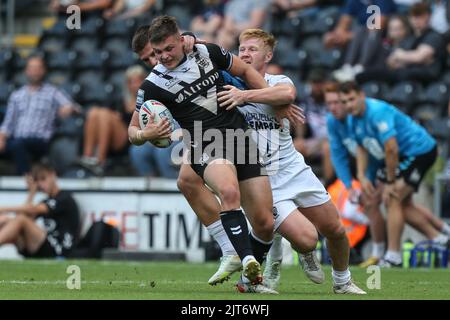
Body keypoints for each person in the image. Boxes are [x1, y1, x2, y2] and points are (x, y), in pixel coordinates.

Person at [128, 16, 277, 290]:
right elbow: (133, 131)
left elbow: (244, 71)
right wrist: (146, 135)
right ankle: (245, 259)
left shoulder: (207, 51)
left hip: (240, 136)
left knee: (266, 222)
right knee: (228, 192)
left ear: (180, 39)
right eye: (156, 52)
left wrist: (270, 97)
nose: (162, 57)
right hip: (204, 142)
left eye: (167, 49)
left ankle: (247, 276)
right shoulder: (152, 85)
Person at [215, 29, 366, 294]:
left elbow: (286, 95)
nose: (245, 54)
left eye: (252, 49)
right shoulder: (228, 83)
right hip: (262, 177)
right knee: (308, 240)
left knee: (335, 229)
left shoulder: (277, 80)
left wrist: (245, 97)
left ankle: (342, 281)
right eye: (242, 49)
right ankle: (295, 256)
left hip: (293, 167)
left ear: (268, 55)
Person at [326, 82, 450, 266]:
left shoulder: (377, 112)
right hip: (398, 157)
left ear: (361, 95)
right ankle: (441, 236)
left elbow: (391, 148)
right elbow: (362, 147)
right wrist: (361, 176)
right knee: (402, 204)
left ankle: (393, 256)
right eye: (345, 101)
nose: (348, 105)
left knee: (392, 198)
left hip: (419, 150)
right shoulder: (352, 118)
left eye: (351, 99)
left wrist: (390, 181)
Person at [0, 54, 79, 175]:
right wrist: (1, 138)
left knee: (18, 144)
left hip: (40, 142)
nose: (35, 71)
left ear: (43, 70)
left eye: (38, 68)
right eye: (32, 68)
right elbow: (8, 123)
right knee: (15, 144)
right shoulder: (17, 95)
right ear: (26, 71)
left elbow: (73, 107)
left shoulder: (52, 92)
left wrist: (68, 108)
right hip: (17, 141)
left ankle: (26, 178)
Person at [0, 163, 80, 258]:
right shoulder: (45, 201)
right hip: (45, 245)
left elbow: (30, 212)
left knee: (20, 220)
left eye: (43, 179)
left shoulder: (64, 198)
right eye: (37, 181)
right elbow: (23, 218)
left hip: (60, 248)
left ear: (53, 175)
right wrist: (32, 193)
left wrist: (4, 208)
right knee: (5, 219)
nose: (41, 185)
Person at [357, 2, 444, 84]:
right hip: (407, 72)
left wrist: (401, 55)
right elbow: (391, 61)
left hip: (426, 74)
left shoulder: (433, 36)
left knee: (375, 74)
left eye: (420, 16)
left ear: (428, 16)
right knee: (371, 73)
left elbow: (419, 57)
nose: (416, 19)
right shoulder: (410, 38)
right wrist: (405, 57)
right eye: (413, 16)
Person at [326, 0, 397, 81]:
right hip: (359, 36)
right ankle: (347, 67)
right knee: (357, 31)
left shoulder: (383, 1)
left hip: (380, 39)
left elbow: (378, 25)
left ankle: (361, 67)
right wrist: (338, 35)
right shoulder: (354, 1)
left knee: (369, 32)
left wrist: (352, 35)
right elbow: (343, 24)